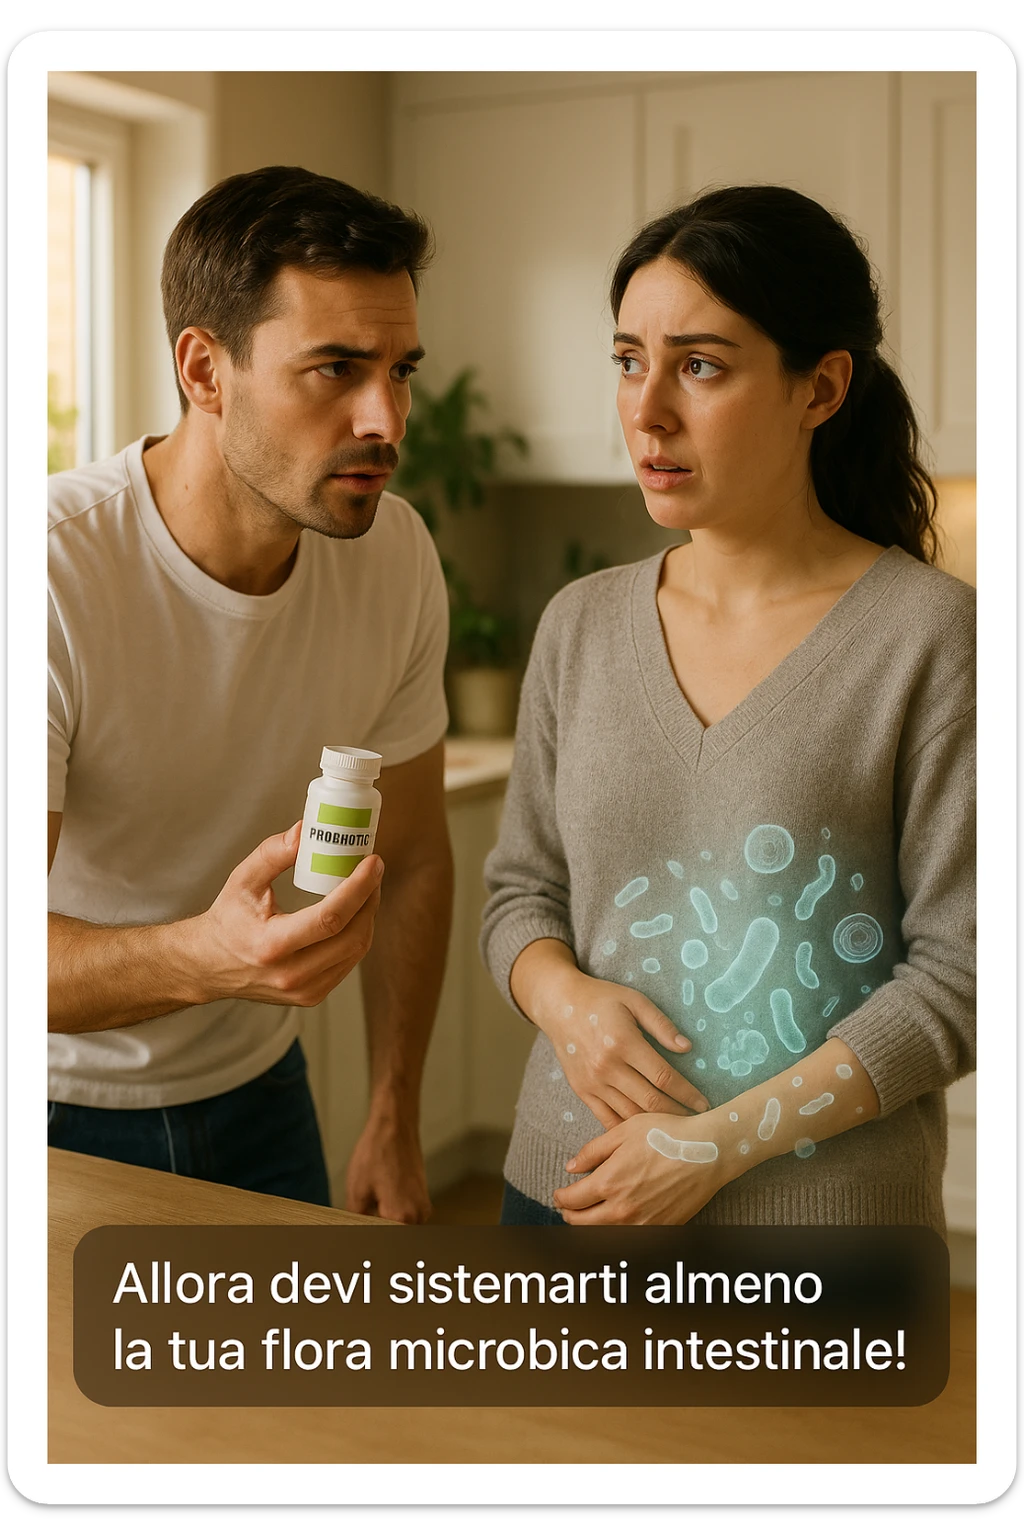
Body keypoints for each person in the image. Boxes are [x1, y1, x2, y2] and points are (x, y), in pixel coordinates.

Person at [481, 185, 975, 1229]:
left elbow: (965, 973)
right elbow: (519, 894)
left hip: (822, 1234)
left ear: (820, 387)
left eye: (699, 365)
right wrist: (562, 1001)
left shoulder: (930, 639)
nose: (646, 408)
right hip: (565, 1194)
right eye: (627, 360)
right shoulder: (579, 624)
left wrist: (715, 1148)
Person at [47, 166, 454, 1221]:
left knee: (294, 1386)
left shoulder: (396, 552)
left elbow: (410, 858)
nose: (386, 418)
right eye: (334, 368)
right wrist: (210, 957)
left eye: (401, 369)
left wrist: (392, 1112)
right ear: (203, 369)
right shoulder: (49, 574)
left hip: (261, 1095)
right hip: (50, 1104)